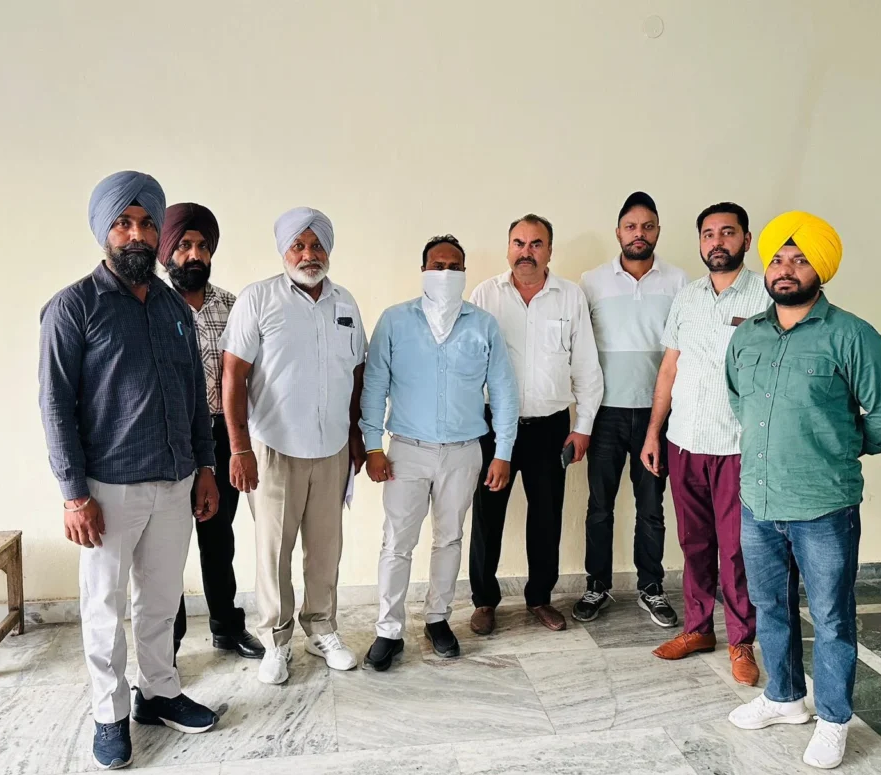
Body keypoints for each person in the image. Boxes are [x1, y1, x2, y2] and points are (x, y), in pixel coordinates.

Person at [38, 171, 221, 771]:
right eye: (124, 223)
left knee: (161, 600)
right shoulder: (73, 307)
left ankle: (159, 693)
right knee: (103, 607)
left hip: (175, 480)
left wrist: (205, 466)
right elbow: (55, 405)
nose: (137, 234)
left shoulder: (172, 306)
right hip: (108, 488)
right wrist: (74, 494)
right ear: (105, 230)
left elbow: (194, 396)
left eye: (146, 223)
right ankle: (109, 713)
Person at [725, 211, 881, 770]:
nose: (786, 269)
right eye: (778, 259)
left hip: (823, 505)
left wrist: (840, 448)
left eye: (800, 259)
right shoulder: (747, 335)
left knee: (831, 617)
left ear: (820, 269)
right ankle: (784, 698)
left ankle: (832, 719)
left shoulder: (851, 335)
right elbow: (737, 399)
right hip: (758, 501)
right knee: (769, 606)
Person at [221, 207, 367, 685]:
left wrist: (356, 436)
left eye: (317, 245)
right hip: (273, 450)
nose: (309, 254)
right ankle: (276, 641)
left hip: (331, 450)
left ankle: (321, 630)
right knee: (274, 552)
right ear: (284, 250)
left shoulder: (345, 303)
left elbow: (357, 374)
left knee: (325, 550)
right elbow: (233, 375)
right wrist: (239, 448)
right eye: (298, 246)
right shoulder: (258, 299)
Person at [361, 234, 519, 670]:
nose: (446, 273)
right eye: (438, 266)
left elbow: (504, 392)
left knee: (449, 538)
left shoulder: (483, 325)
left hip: (464, 452)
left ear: (464, 273)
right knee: (397, 542)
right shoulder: (395, 321)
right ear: (423, 271)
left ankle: (438, 619)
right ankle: (388, 630)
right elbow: (374, 386)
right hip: (406, 452)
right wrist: (373, 445)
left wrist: (503, 452)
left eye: (454, 267)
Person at [643, 203, 770, 685]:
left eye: (727, 232)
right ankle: (697, 629)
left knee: (736, 550)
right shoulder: (687, 297)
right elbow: (669, 368)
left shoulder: (765, 295)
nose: (717, 242)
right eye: (708, 234)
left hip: (737, 446)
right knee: (694, 543)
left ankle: (741, 641)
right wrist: (654, 432)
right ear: (700, 242)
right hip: (684, 442)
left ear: (746, 240)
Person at [468, 214, 603, 634]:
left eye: (536, 243)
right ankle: (484, 601)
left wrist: (583, 426)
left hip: (550, 428)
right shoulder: (485, 294)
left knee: (546, 516)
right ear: (508, 248)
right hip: (494, 426)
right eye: (519, 243)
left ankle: (540, 598)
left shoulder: (570, 297)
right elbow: (468, 364)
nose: (526, 252)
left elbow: (586, 365)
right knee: (488, 516)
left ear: (549, 251)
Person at [575, 192, 688, 625]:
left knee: (651, 507)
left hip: (657, 415)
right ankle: (596, 585)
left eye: (647, 226)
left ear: (657, 231)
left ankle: (651, 587)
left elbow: (681, 351)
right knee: (599, 506)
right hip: (605, 413)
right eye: (631, 226)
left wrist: (663, 418)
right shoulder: (591, 281)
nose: (639, 233)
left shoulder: (678, 281)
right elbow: (580, 349)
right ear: (618, 232)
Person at [158, 202, 264, 661]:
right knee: (166, 547)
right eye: (184, 245)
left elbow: (248, 377)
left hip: (222, 438)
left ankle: (226, 626)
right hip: (168, 442)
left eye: (202, 246)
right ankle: (168, 641)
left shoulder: (232, 306)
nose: (194, 255)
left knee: (219, 537)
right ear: (166, 252)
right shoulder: (151, 305)